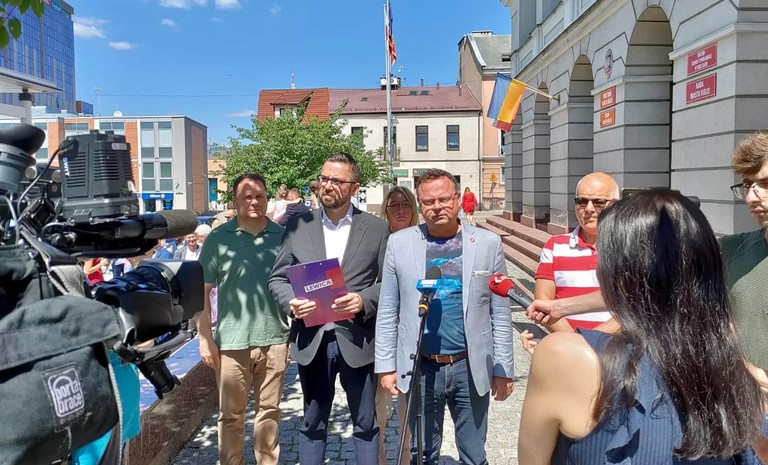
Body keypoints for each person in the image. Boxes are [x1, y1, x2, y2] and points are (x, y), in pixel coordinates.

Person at [525, 134, 768, 462]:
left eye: (765, 184)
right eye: (747, 185)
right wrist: (562, 309)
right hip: (724, 393)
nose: (752, 196)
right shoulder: (731, 249)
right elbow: (649, 288)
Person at [376, 169, 514, 465]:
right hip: (421, 367)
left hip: (469, 365)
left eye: (444, 199)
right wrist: (386, 366)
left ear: (457, 199)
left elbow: (500, 312)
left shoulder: (488, 243)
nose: (437, 207)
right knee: (423, 453)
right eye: (428, 201)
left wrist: (503, 368)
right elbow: (388, 309)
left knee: (474, 454)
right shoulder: (399, 243)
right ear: (420, 205)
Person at [269, 152, 389, 465]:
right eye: (324, 179)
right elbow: (277, 279)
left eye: (337, 180)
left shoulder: (376, 229)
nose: (327, 185)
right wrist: (291, 302)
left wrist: (364, 300)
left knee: (365, 424)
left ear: (354, 187)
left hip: (358, 339)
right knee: (312, 424)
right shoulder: (298, 225)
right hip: (313, 339)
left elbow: (389, 284)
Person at [196, 173, 289, 465]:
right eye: (247, 196)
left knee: (269, 414)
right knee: (230, 417)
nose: (254, 202)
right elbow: (201, 292)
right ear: (235, 201)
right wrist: (204, 338)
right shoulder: (218, 239)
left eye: (260, 196)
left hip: (275, 339)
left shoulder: (283, 237)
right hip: (231, 343)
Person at [525, 172, 618, 342]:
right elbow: (544, 302)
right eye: (582, 201)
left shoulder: (631, 249)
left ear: (616, 205)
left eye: (598, 202)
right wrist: (576, 345)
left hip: (618, 350)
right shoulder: (554, 247)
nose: (589, 209)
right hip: (570, 349)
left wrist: (590, 342)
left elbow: (634, 307)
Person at [376, 186, 419, 465]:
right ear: (386, 210)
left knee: (409, 406)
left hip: (412, 336)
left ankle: (405, 458)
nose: (401, 210)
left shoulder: (422, 240)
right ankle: (379, 456)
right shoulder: (377, 242)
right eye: (394, 205)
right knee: (379, 406)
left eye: (406, 204)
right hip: (379, 334)